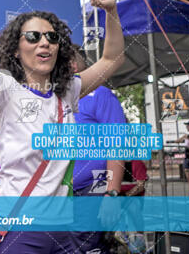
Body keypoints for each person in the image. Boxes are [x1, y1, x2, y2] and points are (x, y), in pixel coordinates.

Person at [0, 0, 125, 253]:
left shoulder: (68, 92)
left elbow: (112, 59)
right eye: (33, 37)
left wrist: (111, 11)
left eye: (51, 37)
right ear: (17, 49)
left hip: (64, 229)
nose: (44, 43)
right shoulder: (4, 90)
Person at [70, 45, 126, 253]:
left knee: (87, 248)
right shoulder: (56, 98)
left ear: (73, 64)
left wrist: (112, 194)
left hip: (92, 190)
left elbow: (117, 145)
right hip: (60, 193)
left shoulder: (100, 94)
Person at [168, 120, 189, 197]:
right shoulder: (186, 136)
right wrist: (170, 141)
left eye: (188, 125)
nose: (186, 127)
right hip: (187, 159)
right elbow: (177, 141)